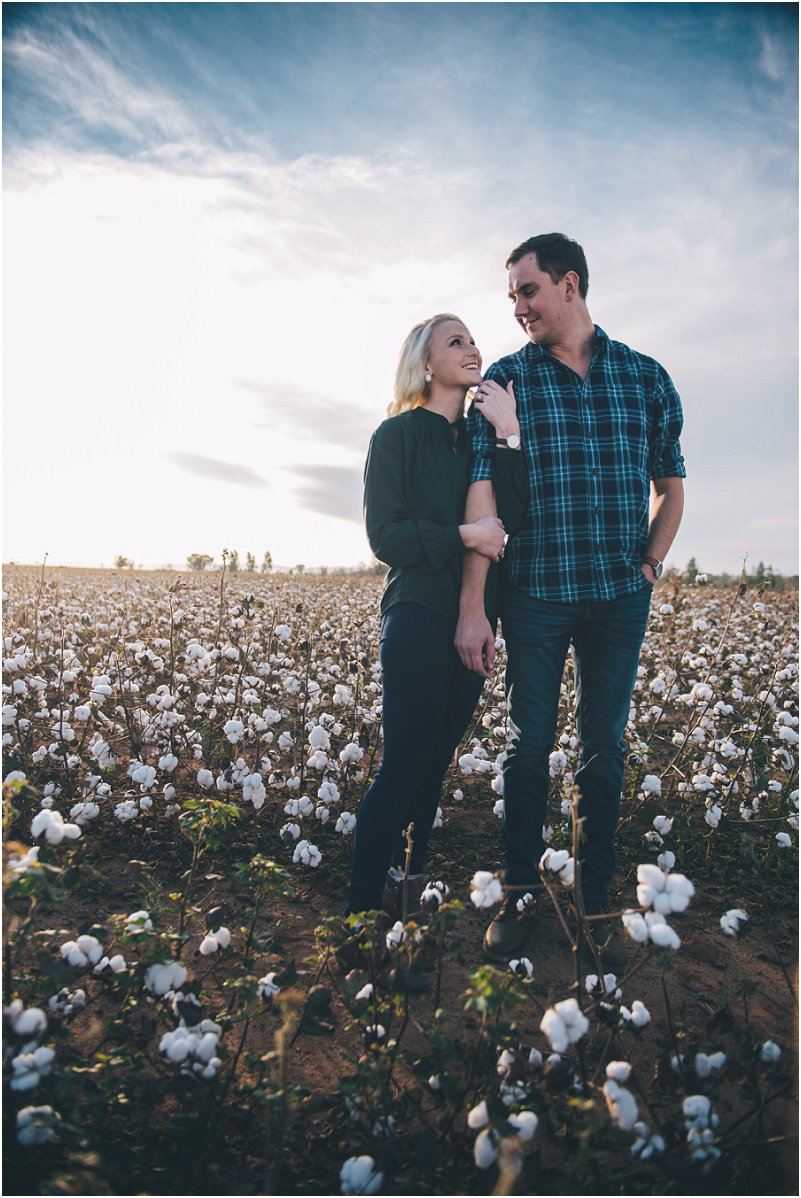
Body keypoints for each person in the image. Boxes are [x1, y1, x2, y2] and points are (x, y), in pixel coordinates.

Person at [456, 233, 686, 967]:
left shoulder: (644, 377)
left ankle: (596, 900)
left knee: (604, 750)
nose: (518, 307)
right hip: (536, 594)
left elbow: (670, 487)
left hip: (619, 596)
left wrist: (650, 563)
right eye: (513, 296)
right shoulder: (503, 381)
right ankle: (521, 892)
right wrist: (477, 601)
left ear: (569, 284)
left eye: (527, 290)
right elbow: (482, 491)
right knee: (527, 749)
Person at [346, 313, 521, 920]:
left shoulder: (480, 436)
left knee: (434, 769)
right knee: (401, 770)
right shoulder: (393, 437)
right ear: (426, 364)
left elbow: (508, 523)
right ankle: (362, 914)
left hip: (478, 620)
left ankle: (404, 894)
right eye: (456, 342)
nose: (473, 348)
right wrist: (461, 533)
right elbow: (385, 536)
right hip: (418, 612)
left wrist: (509, 435)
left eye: (473, 339)